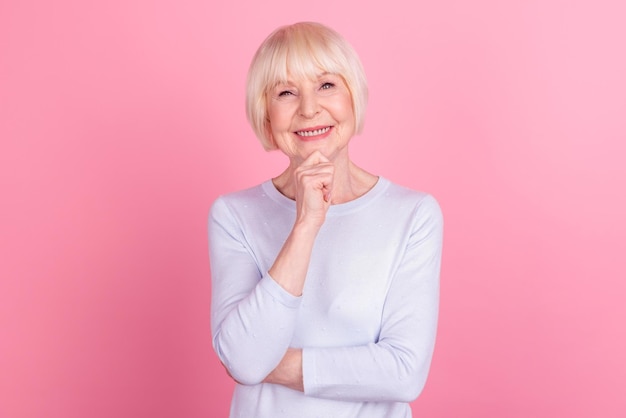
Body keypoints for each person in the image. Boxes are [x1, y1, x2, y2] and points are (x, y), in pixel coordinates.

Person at [209, 21, 443, 418]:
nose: (308, 108)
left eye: (327, 85)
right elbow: (245, 361)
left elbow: (405, 372)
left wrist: (274, 365)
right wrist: (305, 224)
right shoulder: (234, 215)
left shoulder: (414, 214)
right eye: (286, 92)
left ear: (354, 98)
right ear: (266, 115)